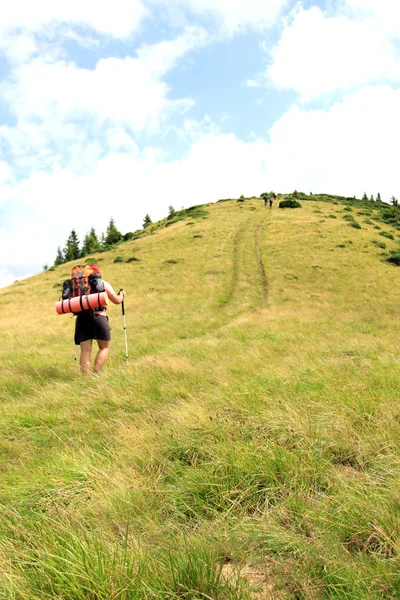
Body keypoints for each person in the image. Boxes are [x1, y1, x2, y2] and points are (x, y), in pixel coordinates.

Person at [74, 265, 125, 375]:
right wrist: (121, 295)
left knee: (85, 350)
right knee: (105, 347)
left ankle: (85, 378)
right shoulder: (103, 283)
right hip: (99, 317)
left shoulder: (79, 285)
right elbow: (116, 300)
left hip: (81, 319)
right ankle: (96, 372)